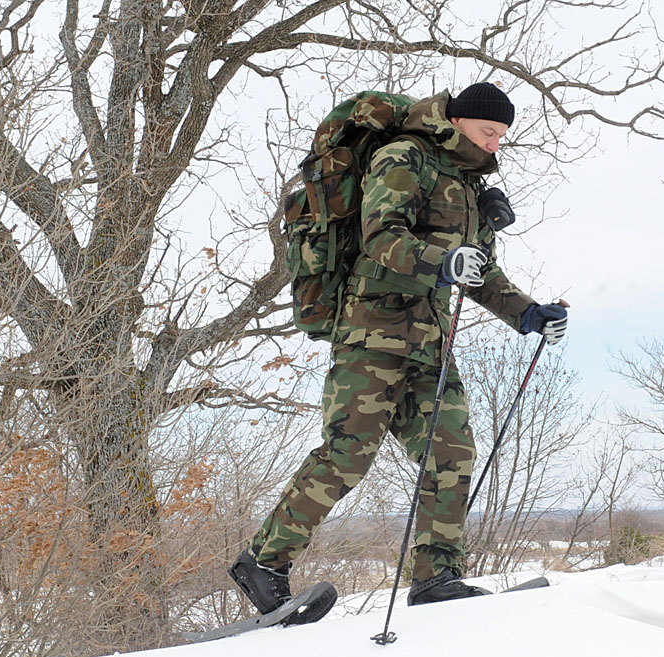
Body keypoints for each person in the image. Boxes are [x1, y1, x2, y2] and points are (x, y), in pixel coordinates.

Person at [230, 83, 569, 613]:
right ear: (457, 122)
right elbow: (379, 237)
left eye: (502, 137)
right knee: (346, 455)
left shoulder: (470, 184)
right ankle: (264, 561)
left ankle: (436, 578)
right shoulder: (403, 156)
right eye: (488, 132)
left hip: (430, 344)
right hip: (372, 333)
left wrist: (528, 314)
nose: (495, 144)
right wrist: (443, 259)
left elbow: (479, 271)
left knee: (452, 454)